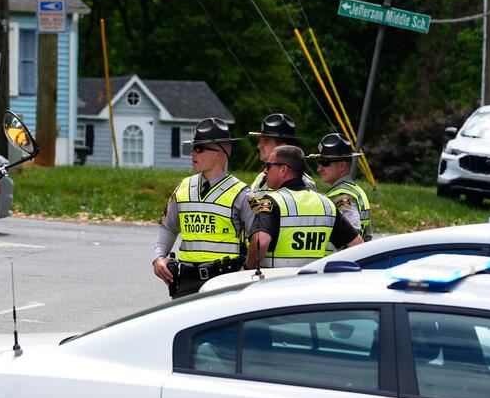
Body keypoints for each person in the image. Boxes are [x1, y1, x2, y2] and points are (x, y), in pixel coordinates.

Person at [153, 117, 257, 297]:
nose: (192, 153)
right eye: (193, 147)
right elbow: (168, 226)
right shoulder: (183, 187)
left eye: (199, 148)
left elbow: (258, 238)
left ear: (219, 153)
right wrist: (158, 257)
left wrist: (247, 269)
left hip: (225, 280)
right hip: (185, 281)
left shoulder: (242, 194)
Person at [246, 144, 363, 269]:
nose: (265, 170)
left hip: (277, 283)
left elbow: (260, 242)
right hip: (313, 284)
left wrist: (248, 267)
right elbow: (358, 244)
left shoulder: (273, 202)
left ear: (283, 170)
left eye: (269, 166)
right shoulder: (327, 205)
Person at [310, 133, 372, 245]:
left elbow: (352, 233)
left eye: (325, 163)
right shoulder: (354, 190)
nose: (319, 169)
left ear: (342, 166)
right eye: (319, 162)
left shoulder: (342, 195)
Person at [248, 113, 317, 194]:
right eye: (260, 141)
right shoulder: (261, 176)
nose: (259, 146)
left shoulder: (302, 183)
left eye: (266, 140)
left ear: (283, 146)